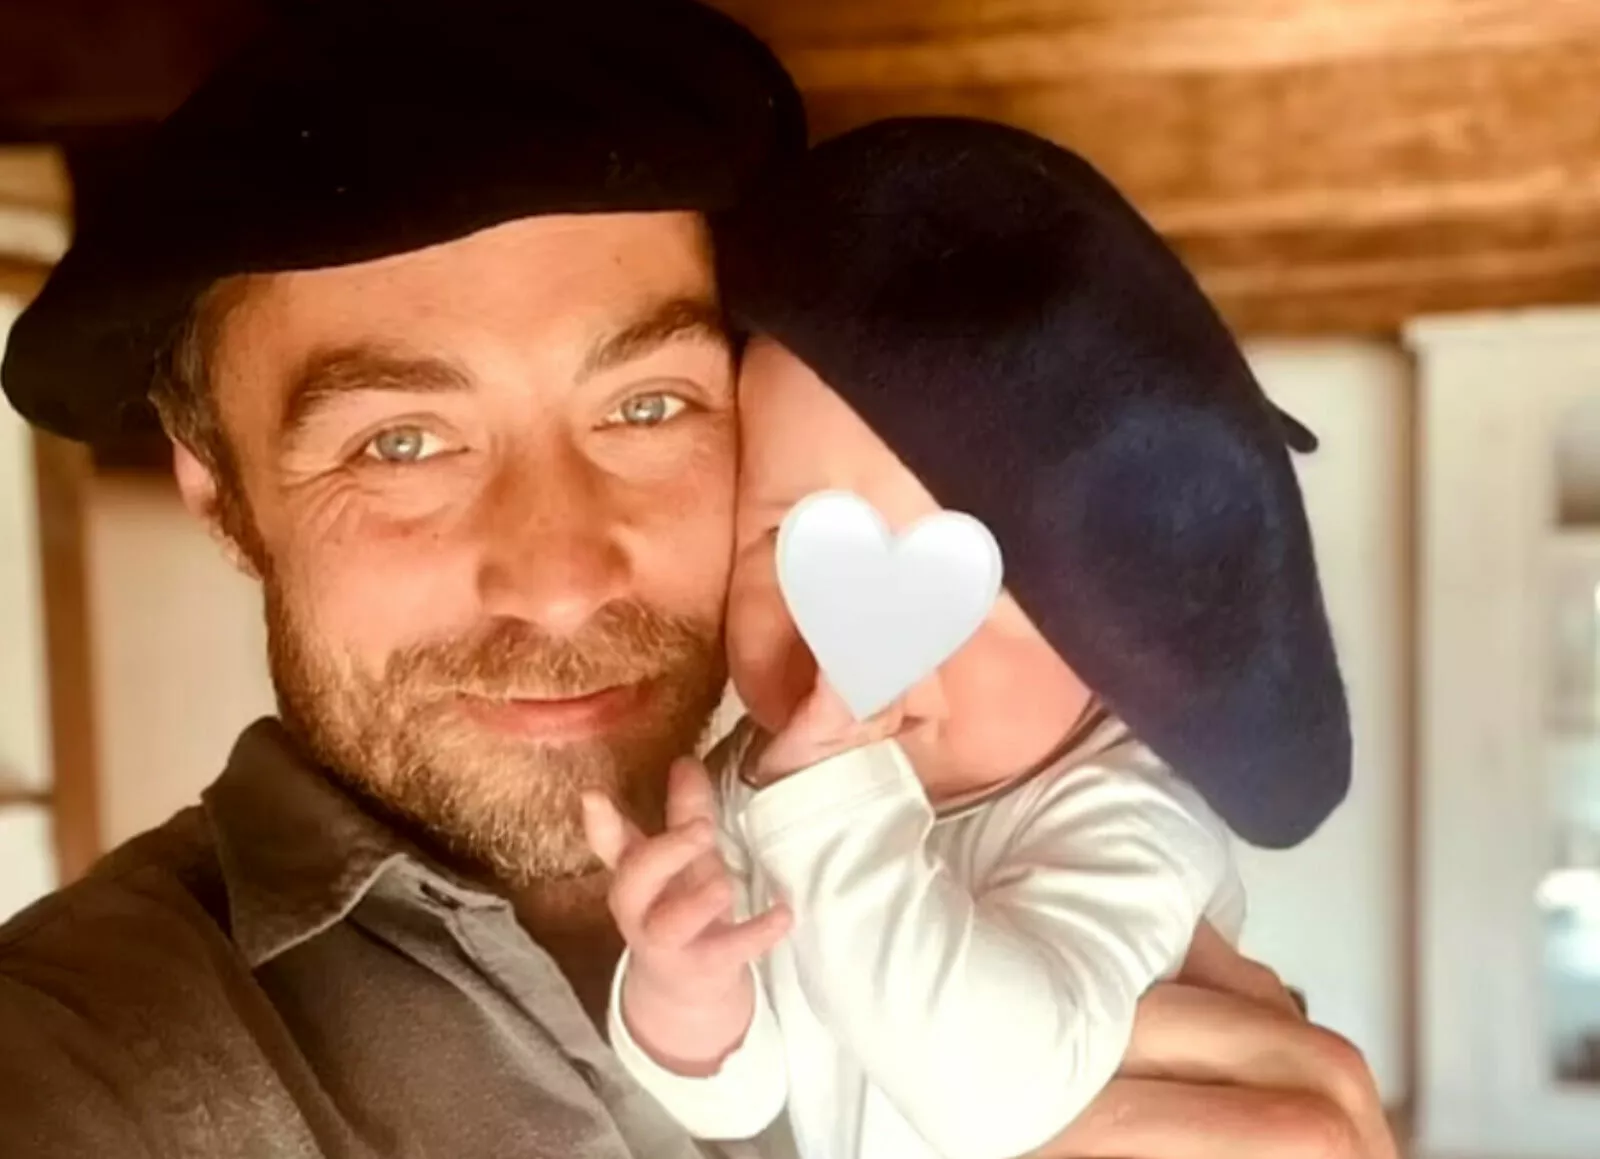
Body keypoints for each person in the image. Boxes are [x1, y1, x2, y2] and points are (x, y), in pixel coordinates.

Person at [0, 1, 1393, 1156]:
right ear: (219, 489)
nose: (560, 582)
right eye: (401, 440)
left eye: (648, 406)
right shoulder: (69, 1062)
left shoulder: (1055, 828)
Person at [584, 117, 1363, 1159]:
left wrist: (825, 810)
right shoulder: (764, 786)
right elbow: (737, 1098)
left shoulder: (1123, 817)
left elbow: (996, 1090)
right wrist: (687, 989)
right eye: (787, 539)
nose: (848, 628)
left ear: (1109, 636)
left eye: (958, 576)